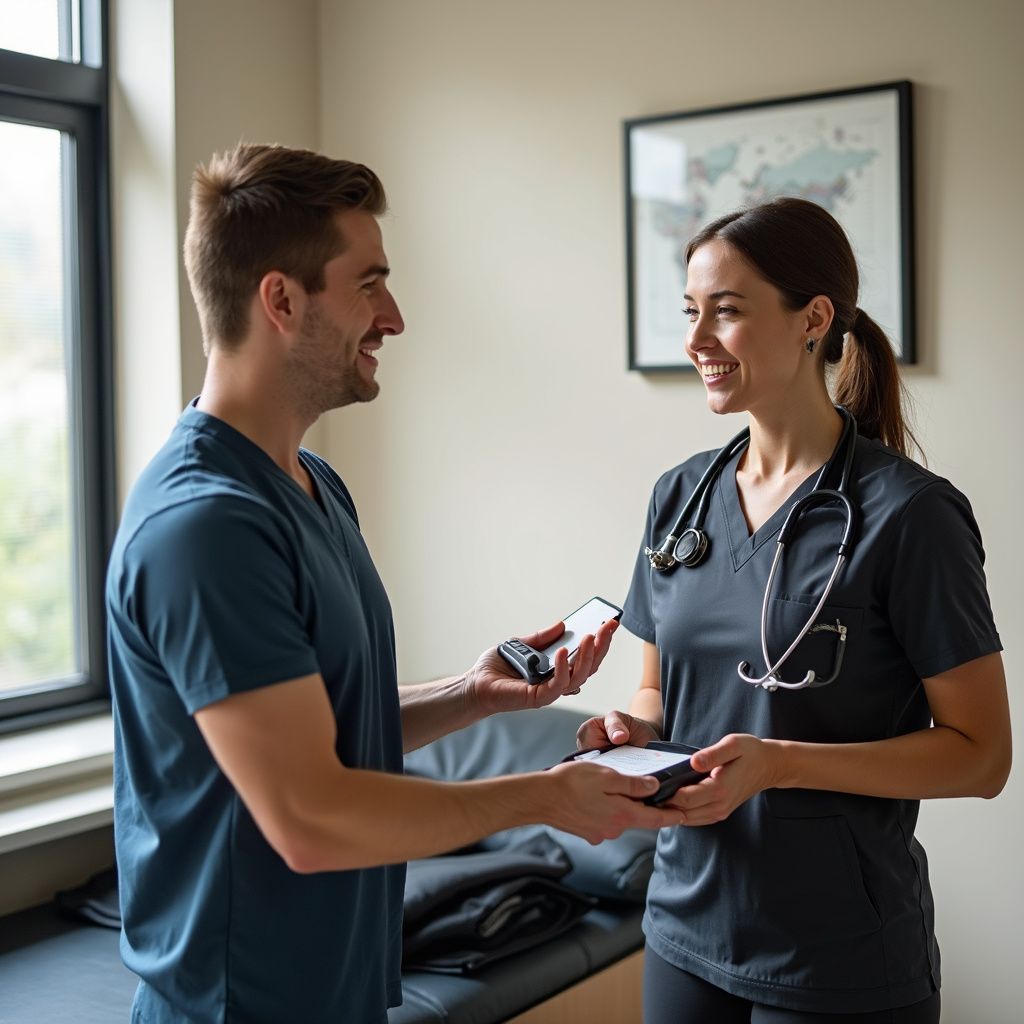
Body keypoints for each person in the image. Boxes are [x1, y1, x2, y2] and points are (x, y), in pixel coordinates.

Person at [106, 143, 684, 1024]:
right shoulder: (206, 526)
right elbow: (309, 816)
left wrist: (473, 694)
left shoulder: (311, 485)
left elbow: (327, 732)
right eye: (369, 284)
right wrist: (547, 796)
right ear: (281, 300)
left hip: (341, 992)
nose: (396, 317)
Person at [578, 197, 1011, 1023]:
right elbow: (657, 696)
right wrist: (630, 735)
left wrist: (781, 761)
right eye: (690, 312)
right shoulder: (681, 495)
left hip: (838, 956)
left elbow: (981, 756)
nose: (696, 341)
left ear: (813, 318)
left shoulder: (910, 515)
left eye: (727, 311)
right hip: (683, 927)